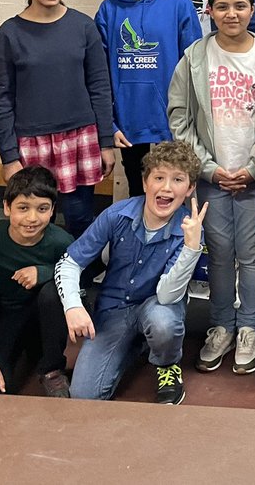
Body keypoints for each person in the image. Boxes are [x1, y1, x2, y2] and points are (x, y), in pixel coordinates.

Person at [168, 0, 255, 376]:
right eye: (222, 6)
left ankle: (250, 328)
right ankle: (221, 326)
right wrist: (209, 169)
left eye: (240, 6)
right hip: (211, 177)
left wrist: (254, 169)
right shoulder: (194, 57)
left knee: (253, 256)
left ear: (252, 10)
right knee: (219, 254)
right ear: (210, 11)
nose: (231, 14)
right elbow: (179, 120)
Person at [56, 141, 207, 405]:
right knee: (84, 396)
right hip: (114, 309)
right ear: (145, 182)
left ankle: (167, 363)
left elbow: (168, 294)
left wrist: (191, 248)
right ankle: (134, 344)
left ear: (190, 188)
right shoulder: (117, 214)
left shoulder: (189, 229)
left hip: (157, 305)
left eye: (178, 180)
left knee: (163, 323)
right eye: (159, 177)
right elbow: (69, 262)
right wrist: (73, 306)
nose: (167, 187)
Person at [0, 0, 115, 240]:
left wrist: (106, 142)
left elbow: (99, 86)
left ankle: (78, 279)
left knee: (79, 216)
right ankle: (37, 278)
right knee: (33, 219)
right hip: (30, 142)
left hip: (80, 137)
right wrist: (9, 156)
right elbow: (3, 98)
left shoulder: (84, 26)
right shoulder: (9, 33)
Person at [96, 0, 203, 196]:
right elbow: (98, 72)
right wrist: (110, 124)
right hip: (129, 121)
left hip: (171, 119)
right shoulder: (110, 8)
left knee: (174, 191)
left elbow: (194, 66)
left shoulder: (179, 4)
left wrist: (190, 119)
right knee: (138, 191)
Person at [0, 166, 73, 397]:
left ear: (52, 210)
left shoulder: (61, 241)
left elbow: (79, 278)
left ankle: (53, 369)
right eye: (23, 208)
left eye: (42, 209)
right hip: (8, 318)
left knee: (54, 291)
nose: (32, 218)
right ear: (7, 207)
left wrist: (46, 272)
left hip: (45, 321)